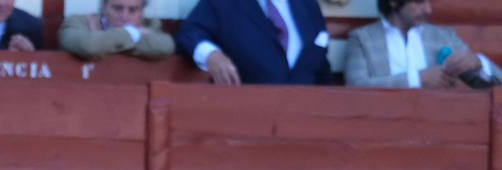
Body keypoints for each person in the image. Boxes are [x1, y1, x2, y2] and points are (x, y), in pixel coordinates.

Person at [344, 0, 500, 88]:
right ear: (394, 2)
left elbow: (495, 83)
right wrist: (416, 79)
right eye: (419, 2)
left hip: (438, 125)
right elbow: (355, 85)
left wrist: (480, 63)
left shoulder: (444, 36)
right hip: (380, 125)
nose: (428, 10)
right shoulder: (363, 38)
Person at [176, 0, 332, 85]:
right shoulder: (224, 3)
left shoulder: (308, 5)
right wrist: (211, 55)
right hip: (248, 116)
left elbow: (320, 68)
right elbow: (189, 32)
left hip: (305, 119)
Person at [58, 0, 175, 62]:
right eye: (118, 8)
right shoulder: (78, 22)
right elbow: (89, 46)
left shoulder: (149, 25)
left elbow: (166, 46)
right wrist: (132, 33)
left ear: (141, 12)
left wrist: (104, 43)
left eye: (133, 10)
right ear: (103, 7)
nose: (124, 17)